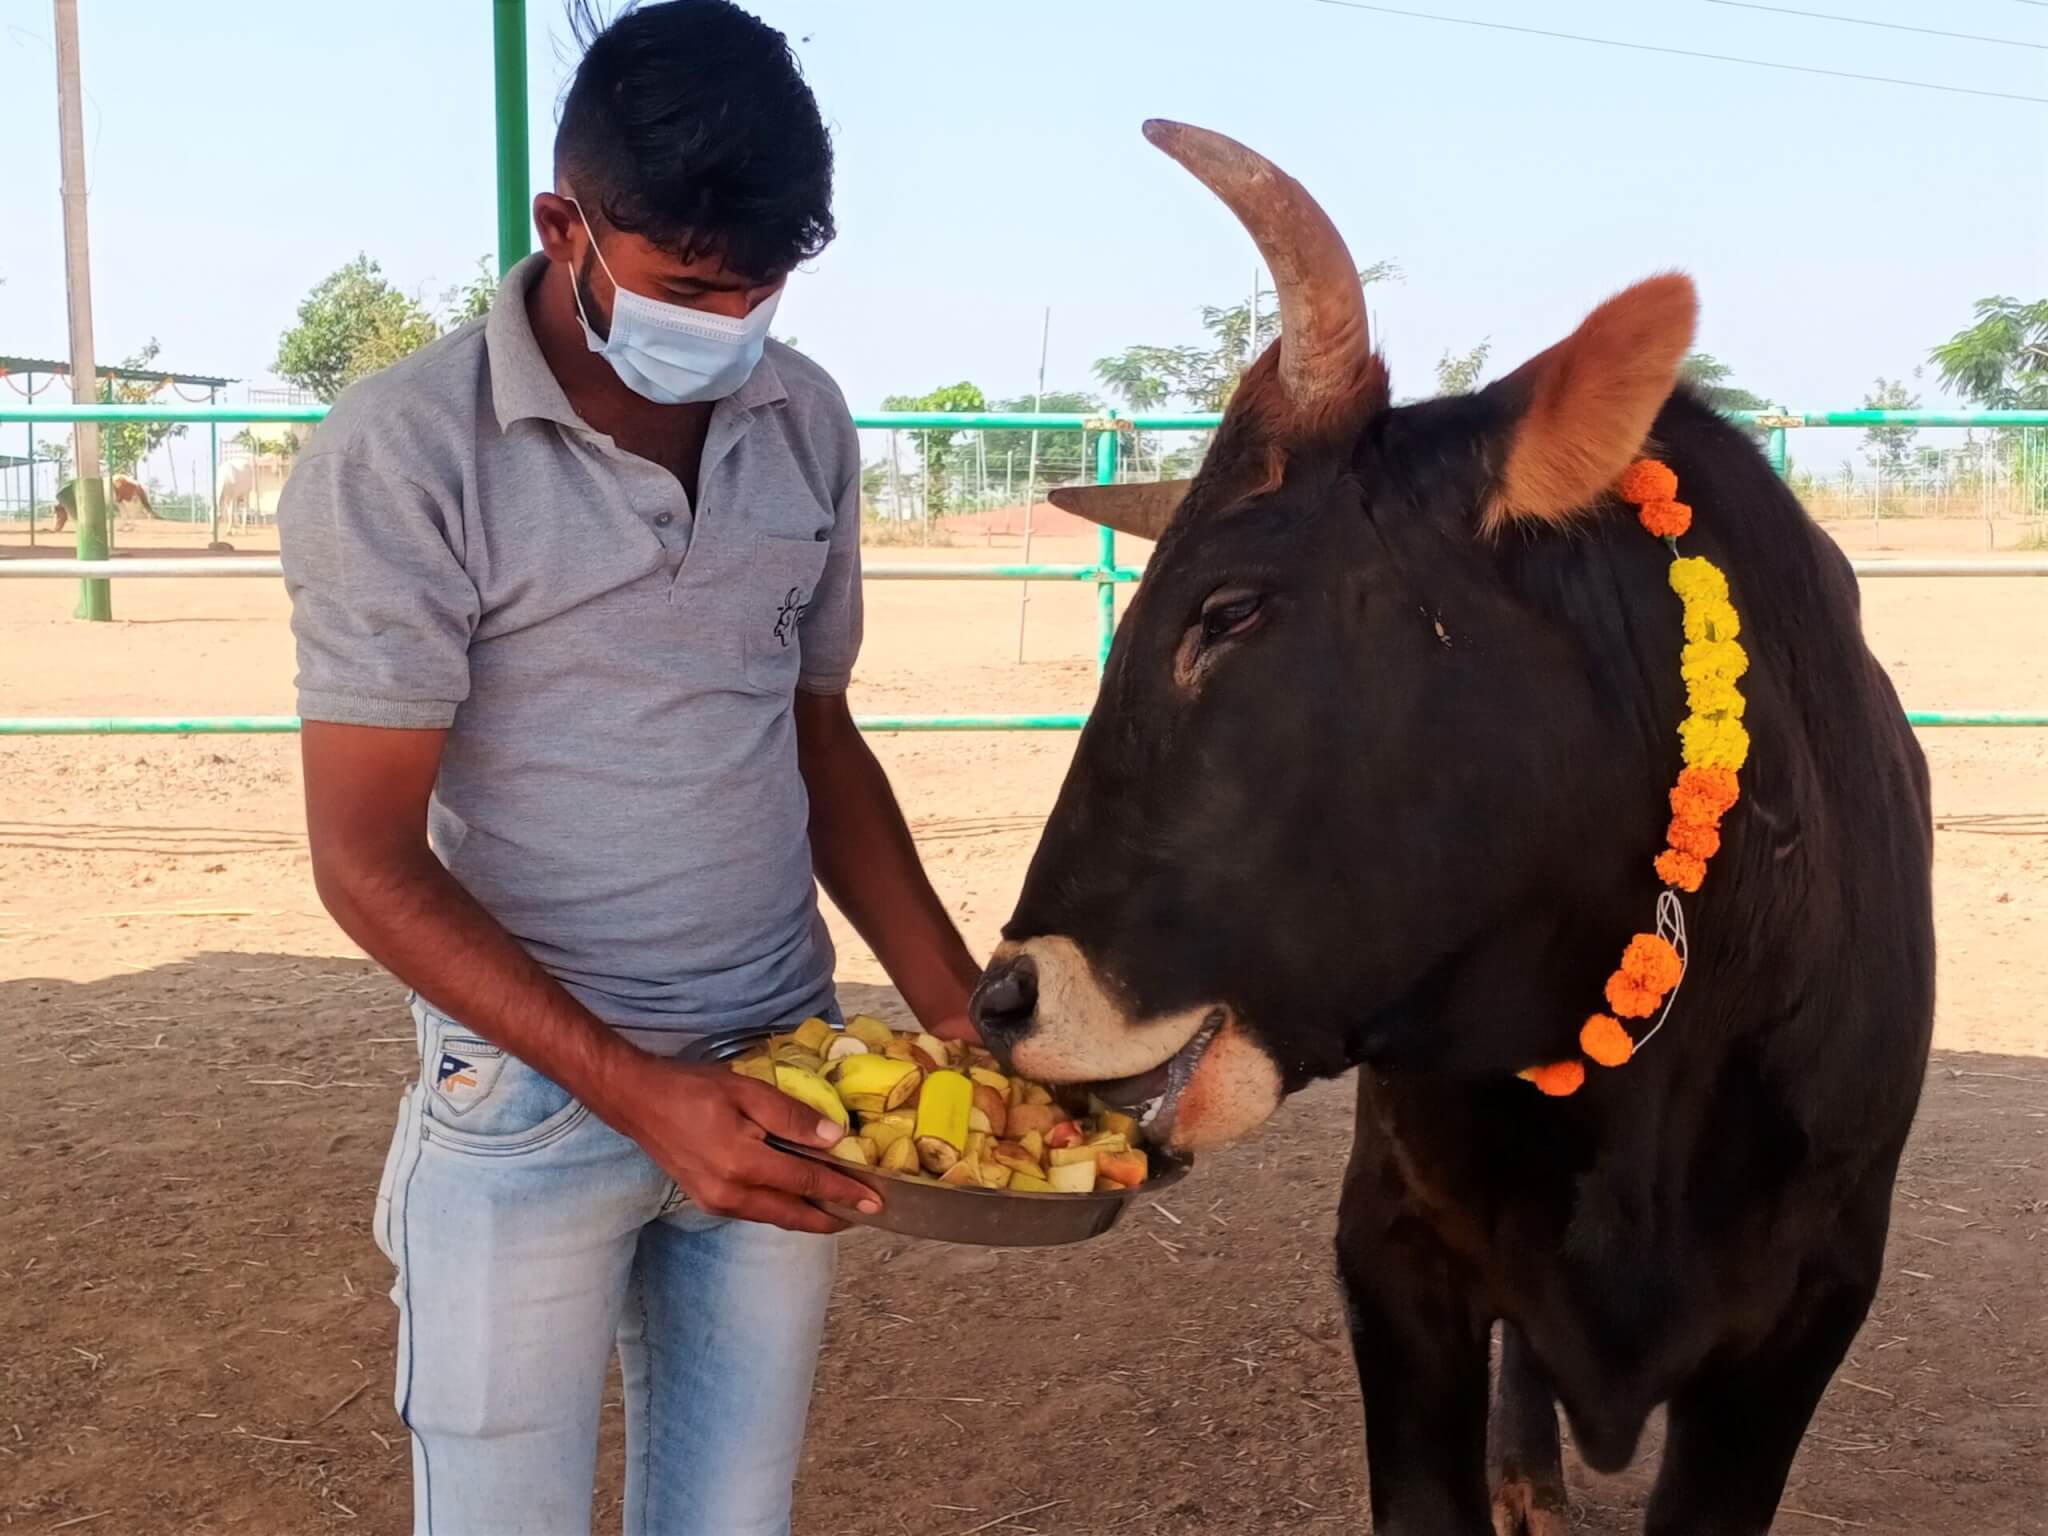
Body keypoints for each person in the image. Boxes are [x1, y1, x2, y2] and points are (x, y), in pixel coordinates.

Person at [276, 4, 982, 1532]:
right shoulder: (407, 453)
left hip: (788, 1077)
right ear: (565, 225)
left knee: (730, 1518)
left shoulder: (804, 419)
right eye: (683, 288)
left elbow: (817, 731)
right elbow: (366, 860)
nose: (725, 327)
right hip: (528, 1097)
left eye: (760, 290)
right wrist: (637, 1091)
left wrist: (951, 1013)